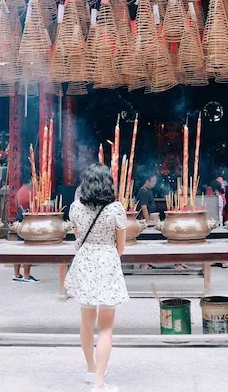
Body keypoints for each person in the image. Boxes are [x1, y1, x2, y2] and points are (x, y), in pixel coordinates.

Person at [65, 164, 129, 392]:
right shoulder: (116, 210)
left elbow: (78, 236)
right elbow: (120, 246)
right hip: (107, 263)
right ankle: (99, 383)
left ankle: (90, 369)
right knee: (105, 328)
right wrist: (108, 254)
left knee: (86, 321)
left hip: (84, 263)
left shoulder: (75, 208)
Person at [13, 182, 39, 283]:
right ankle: (27, 276)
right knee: (27, 246)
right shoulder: (28, 191)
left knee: (19, 247)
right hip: (26, 218)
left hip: (19, 218)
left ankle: (17, 274)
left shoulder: (19, 191)